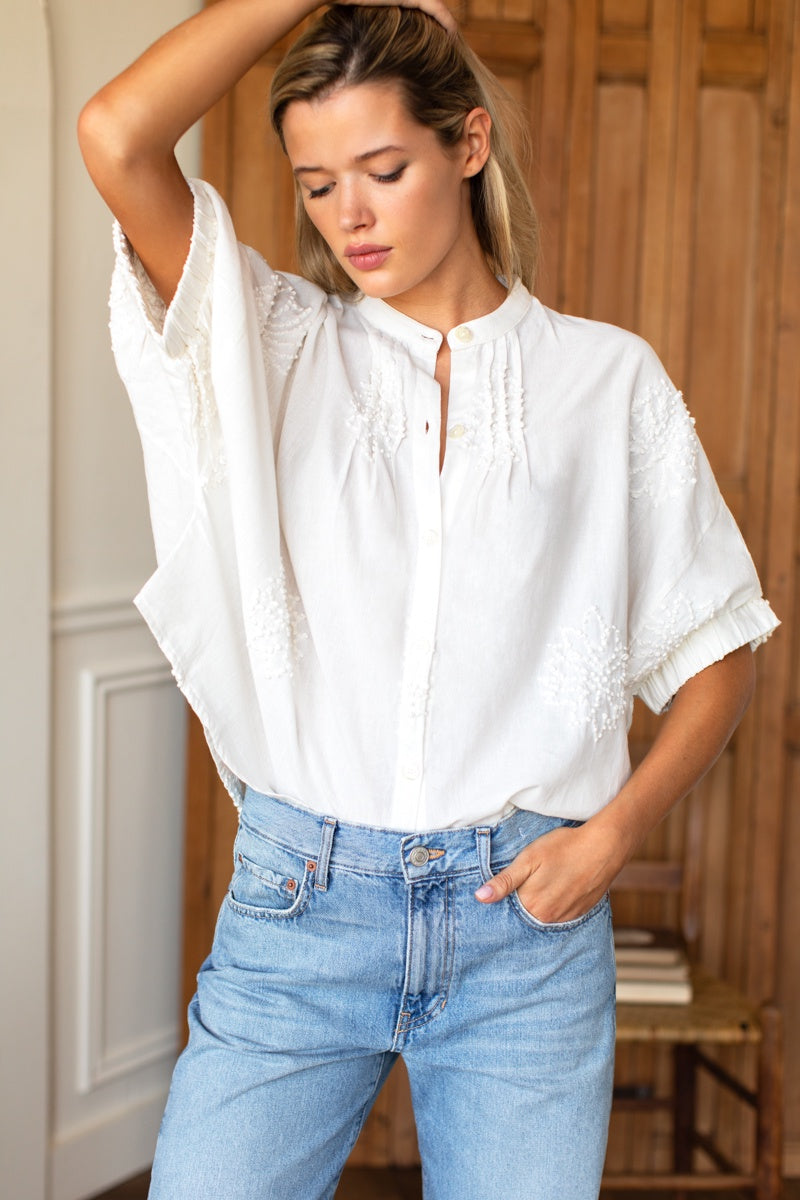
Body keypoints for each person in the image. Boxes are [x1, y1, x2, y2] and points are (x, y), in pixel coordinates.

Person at [78, 2, 779, 1197]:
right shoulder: (275, 344)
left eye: (382, 169)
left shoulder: (605, 380)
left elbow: (718, 645)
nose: (347, 216)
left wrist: (612, 837)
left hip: (527, 933)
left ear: (466, 144)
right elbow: (117, 133)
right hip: (300, 910)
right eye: (314, 185)